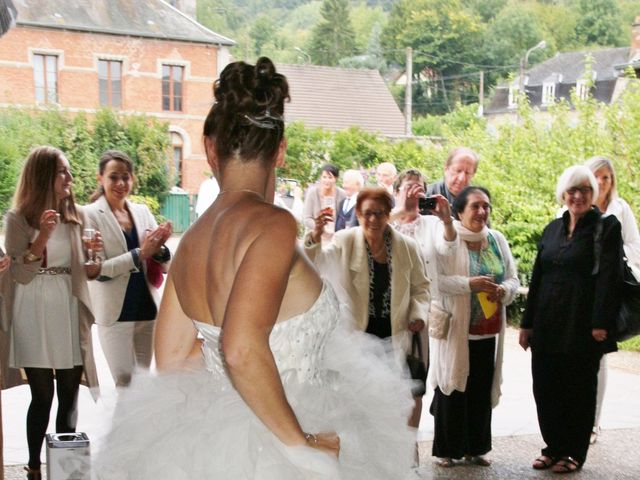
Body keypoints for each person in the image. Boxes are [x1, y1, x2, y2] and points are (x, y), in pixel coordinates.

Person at [93, 57, 416, 479]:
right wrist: (302, 446)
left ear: (211, 147)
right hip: (281, 441)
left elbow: (172, 359)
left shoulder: (192, 241)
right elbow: (241, 347)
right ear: (280, 150)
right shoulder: (274, 224)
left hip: (215, 444)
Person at [3, 146, 101, 480]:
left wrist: (91, 258)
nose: (70, 179)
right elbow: (19, 274)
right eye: (63, 171)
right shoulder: (17, 218)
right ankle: (33, 465)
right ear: (44, 174)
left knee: (70, 391)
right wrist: (41, 237)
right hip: (32, 304)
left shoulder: (77, 216)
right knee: (42, 394)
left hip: (67, 304)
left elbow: (85, 270)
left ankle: (66, 467)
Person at [519, 165, 623, 474]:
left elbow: (609, 278)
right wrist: (526, 324)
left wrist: (601, 322)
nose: (578, 196)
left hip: (583, 324)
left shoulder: (606, 227)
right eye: (572, 190)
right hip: (548, 322)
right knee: (546, 386)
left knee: (577, 390)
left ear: (593, 195)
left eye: (585, 190)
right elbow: (537, 277)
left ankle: (573, 452)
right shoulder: (552, 228)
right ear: (563, 194)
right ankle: (552, 447)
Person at [305, 187, 430, 430]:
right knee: (358, 405)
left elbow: (422, 288)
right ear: (359, 215)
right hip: (358, 337)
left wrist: (417, 314)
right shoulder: (345, 240)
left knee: (392, 406)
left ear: (389, 214)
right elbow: (317, 263)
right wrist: (315, 237)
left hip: (395, 335)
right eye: (367, 213)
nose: (373, 219)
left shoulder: (407, 247)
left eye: (380, 213)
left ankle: (397, 458)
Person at [430, 186, 519, 468]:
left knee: (480, 389)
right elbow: (436, 280)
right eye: (475, 207)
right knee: (453, 387)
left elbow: (513, 279)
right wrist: (469, 285)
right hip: (456, 329)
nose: (482, 212)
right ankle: (447, 449)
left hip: (487, 331)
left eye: (486, 207)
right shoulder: (447, 238)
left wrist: (503, 291)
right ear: (459, 212)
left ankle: (476, 448)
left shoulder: (496, 239)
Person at [84, 150, 172, 387]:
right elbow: (98, 271)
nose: (121, 183)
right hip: (114, 315)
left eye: (126, 177)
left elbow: (164, 263)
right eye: (114, 177)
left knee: (142, 389)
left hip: (146, 311)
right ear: (100, 178)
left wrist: (160, 248)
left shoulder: (142, 212)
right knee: (124, 386)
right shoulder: (89, 214)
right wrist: (139, 254)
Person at [390, 168, 458, 300]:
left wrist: (447, 220)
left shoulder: (433, 224)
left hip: (424, 302)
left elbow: (449, 249)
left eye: (419, 188)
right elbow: (369, 232)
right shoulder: (386, 221)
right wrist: (402, 209)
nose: (414, 192)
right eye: (409, 187)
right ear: (396, 192)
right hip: (391, 301)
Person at [302, 164, 345, 241]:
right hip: (315, 235)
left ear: (336, 178)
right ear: (321, 178)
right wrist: (319, 227)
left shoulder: (342, 194)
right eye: (324, 177)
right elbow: (307, 218)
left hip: (334, 239)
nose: (327, 180)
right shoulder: (313, 193)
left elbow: (343, 218)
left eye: (330, 177)